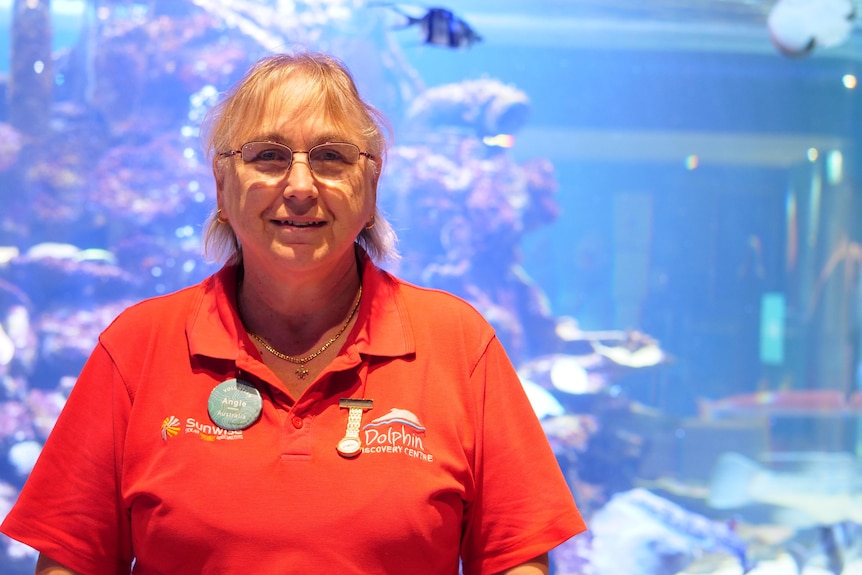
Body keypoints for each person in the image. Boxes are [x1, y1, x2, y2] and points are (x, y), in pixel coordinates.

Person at [1, 52, 586, 575]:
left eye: (331, 157)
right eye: (268, 156)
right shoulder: (138, 345)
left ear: (372, 182)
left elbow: (518, 560)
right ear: (222, 185)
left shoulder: (459, 343)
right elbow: (69, 562)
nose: (301, 186)